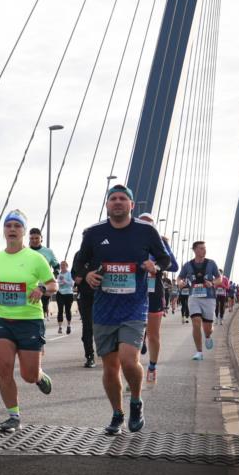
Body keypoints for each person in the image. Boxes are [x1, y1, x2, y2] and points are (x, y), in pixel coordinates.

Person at [73, 184, 170, 435]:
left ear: (131, 205)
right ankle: (117, 414)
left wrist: (155, 267)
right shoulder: (94, 233)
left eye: (122, 199)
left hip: (134, 307)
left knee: (129, 360)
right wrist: (88, 274)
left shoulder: (146, 231)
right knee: (110, 367)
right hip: (104, 308)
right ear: (107, 205)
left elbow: (165, 259)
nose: (117, 202)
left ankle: (136, 401)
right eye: (113, 198)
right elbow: (78, 266)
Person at [0, 210, 57, 433]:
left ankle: (39, 376)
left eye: (17, 226)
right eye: (8, 226)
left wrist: (42, 288)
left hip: (30, 321)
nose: (12, 229)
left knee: (28, 375)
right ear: (4, 231)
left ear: (23, 231)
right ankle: (13, 416)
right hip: (3, 320)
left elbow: (53, 284)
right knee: (3, 367)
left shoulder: (36, 258)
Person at [135, 214, 179, 384]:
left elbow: (173, 266)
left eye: (149, 225)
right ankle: (134, 374)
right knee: (133, 335)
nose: (144, 227)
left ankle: (152, 367)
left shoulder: (160, 244)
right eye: (141, 223)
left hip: (154, 292)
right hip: (133, 292)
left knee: (153, 335)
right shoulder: (129, 240)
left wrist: (156, 265)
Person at [177, 241, 220, 361]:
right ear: (195, 250)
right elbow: (180, 277)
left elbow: (219, 279)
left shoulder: (211, 264)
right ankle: (199, 352)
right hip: (194, 297)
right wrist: (180, 283)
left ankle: (208, 336)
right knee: (196, 322)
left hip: (209, 298)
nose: (204, 250)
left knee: (207, 328)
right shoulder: (188, 265)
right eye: (201, 248)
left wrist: (212, 283)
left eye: (204, 248)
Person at [28, 228, 60, 320]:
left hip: (44, 286)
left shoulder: (48, 252)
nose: (34, 240)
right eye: (32, 238)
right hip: (29, 286)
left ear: (41, 238)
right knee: (30, 312)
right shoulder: (25, 252)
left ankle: (41, 331)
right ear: (29, 239)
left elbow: (56, 266)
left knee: (42, 310)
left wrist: (53, 277)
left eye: (36, 238)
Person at [56, 260, 75, 334]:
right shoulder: (59, 274)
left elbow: (72, 284)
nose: (62, 266)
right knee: (60, 310)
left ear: (67, 266)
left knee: (67, 310)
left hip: (68, 294)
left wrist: (65, 281)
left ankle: (68, 325)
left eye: (63, 265)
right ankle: (60, 327)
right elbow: (58, 283)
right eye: (61, 265)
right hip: (60, 293)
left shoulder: (70, 273)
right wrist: (59, 283)